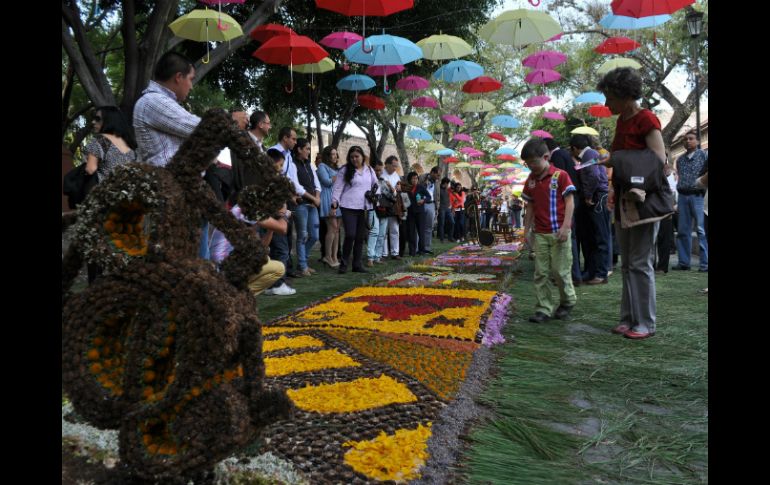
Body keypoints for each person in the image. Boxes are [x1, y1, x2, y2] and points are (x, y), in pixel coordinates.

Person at [133, 51, 248, 260]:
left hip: (186, 195)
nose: (191, 85)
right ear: (178, 77)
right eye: (190, 79)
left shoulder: (161, 102)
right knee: (184, 268)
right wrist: (230, 120)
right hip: (171, 197)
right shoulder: (153, 102)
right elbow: (200, 128)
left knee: (198, 265)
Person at [598, 67, 667, 339]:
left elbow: (659, 159)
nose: (607, 104)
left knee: (640, 262)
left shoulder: (646, 119)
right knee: (627, 263)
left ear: (625, 96)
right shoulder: (621, 121)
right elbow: (620, 155)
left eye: (610, 98)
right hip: (624, 199)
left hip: (643, 201)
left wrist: (618, 160)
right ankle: (628, 318)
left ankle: (645, 323)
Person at [521, 137, 577, 323]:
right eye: (528, 164)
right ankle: (543, 308)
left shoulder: (560, 175)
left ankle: (567, 301)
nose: (531, 167)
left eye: (534, 163)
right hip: (541, 234)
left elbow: (570, 202)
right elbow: (529, 206)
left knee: (560, 271)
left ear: (546, 157)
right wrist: (527, 230)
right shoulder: (530, 181)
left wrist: (566, 226)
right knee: (541, 272)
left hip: (559, 232)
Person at [83, 106, 139, 283]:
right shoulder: (130, 146)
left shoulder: (99, 141)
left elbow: (91, 169)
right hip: (124, 205)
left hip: (103, 203)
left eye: (98, 119)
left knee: (96, 251)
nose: (93, 122)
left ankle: (95, 290)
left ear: (109, 120)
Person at [570, 134, 611, 285]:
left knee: (601, 237)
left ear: (574, 148)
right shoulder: (592, 154)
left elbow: (593, 176)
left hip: (597, 197)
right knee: (595, 237)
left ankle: (601, 274)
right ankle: (593, 272)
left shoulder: (588, 154)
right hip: (598, 195)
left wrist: (587, 196)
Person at [331, 146, 379, 273]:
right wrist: (334, 203)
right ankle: (344, 263)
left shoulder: (369, 170)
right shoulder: (345, 170)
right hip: (348, 206)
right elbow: (337, 187)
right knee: (350, 234)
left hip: (364, 207)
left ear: (362, 156)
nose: (354, 159)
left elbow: (376, 184)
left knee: (360, 237)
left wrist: (375, 195)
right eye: (352, 157)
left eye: (357, 156)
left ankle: (357, 265)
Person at [672, 130, 708, 272]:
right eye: (685, 139)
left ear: (697, 141)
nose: (688, 141)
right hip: (682, 197)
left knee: (701, 230)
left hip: (698, 196)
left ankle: (705, 264)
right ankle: (684, 262)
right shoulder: (680, 159)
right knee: (683, 230)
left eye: (691, 138)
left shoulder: (704, 156)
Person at [269, 127, 302, 278]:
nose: (295, 142)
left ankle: (286, 268)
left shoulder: (289, 156)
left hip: (287, 197)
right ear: (285, 138)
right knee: (278, 238)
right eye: (293, 139)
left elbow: (292, 180)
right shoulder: (273, 153)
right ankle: (277, 276)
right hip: (277, 198)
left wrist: (294, 193)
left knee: (287, 235)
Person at [291, 138, 321, 276]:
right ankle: (303, 266)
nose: (309, 151)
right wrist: (313, 198)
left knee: (314, 236)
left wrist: (318, 197)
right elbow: (297, 187)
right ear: (299, 149)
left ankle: (303, 261)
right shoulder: (292, 164)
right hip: (301, 204)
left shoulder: (309, 165)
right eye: (307, 149)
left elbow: (317, 183)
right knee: (302, 235)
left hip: (312, 205)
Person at [317, 146, 342, 268]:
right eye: (333, 154)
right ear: (327, 155)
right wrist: (339, 177)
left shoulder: (336, 168)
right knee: (331, 228)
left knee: (337, 230)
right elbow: (326, 181)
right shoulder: (322, 166)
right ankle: (327, 256)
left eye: (336, 154)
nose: (335, 156)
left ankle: (335, 256)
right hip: (327, 197)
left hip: (337, 198)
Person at [381, 156, 403, 260]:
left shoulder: (396, 175)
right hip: (384, 204)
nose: (395, 168)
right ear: (387, 164)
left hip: (394, 206)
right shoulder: (381, 173)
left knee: (395, 229)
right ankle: (384, 253)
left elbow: (398, 188)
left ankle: (395, 252)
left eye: (396, 166)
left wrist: (399, 188)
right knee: (384, 230)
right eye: (393, 166)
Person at [405, 171, 431, 256]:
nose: (414, 180)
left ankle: (421, 250)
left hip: (420, 212)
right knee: (411, 232)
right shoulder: (407, 188)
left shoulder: (421, 187)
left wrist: (423, 200)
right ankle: (412, 251)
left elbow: (429, 197)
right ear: (409, 180)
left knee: (421, 232)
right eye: (413, 178)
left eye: (416, 178)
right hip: (410, 212)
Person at [419, 166, 440, 254]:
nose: (438, 177)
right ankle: (417, 248)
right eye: (437, 175)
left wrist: (436, 207)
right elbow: (417, 186)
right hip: (421, 203)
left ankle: (427, 248)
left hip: (431, 204)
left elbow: (437, 195)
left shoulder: (437, 182)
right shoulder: (422, 177)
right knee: (419, 226)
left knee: (429, 227)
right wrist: (425, 182)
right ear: (432, 172)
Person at [437, 177, 454, 242]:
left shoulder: (447, 190)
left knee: (452, 222)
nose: (448, 185)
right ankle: (442, 238)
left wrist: (450, 205)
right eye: (448, 183)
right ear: (445, 183)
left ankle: (450, 237)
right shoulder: (439, 189)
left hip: (447, 208)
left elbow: (448, 198)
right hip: (441, 208)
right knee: (442, 223)